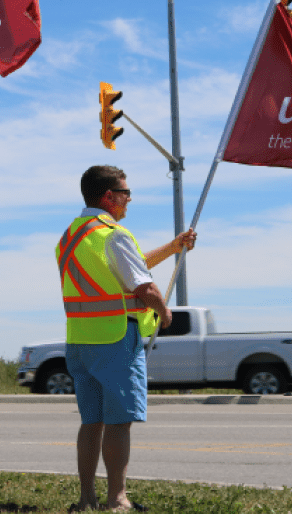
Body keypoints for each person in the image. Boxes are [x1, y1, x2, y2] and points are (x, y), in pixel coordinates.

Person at [57, 165, 196, 512]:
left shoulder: (72, 235)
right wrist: (164, 312)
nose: (129, 199)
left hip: (80, 340)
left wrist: (173, 248)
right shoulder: (113, 233)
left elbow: (129, 266)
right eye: (125, 193)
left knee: (92, 421)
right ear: (109, 197)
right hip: (116, 338)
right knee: (119, 421)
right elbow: (143, 284)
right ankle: (116, 500)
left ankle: (86, 498)